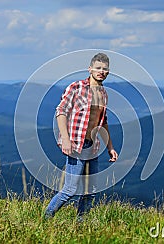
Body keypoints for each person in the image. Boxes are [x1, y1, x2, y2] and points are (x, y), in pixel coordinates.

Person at [44, 53, 118, 220]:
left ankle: (80, 225)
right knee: (70, 189)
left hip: (92, 146)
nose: (101, 71)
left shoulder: (104, 93)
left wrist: (110, 148)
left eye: (105, 69)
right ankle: (46, 219)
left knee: (91, 192)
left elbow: (103, 122)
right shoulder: (76, 88)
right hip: (76, 144)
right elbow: (60, 111)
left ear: (108, 72)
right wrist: (66, 139)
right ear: (90, 69)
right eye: (98, 68)